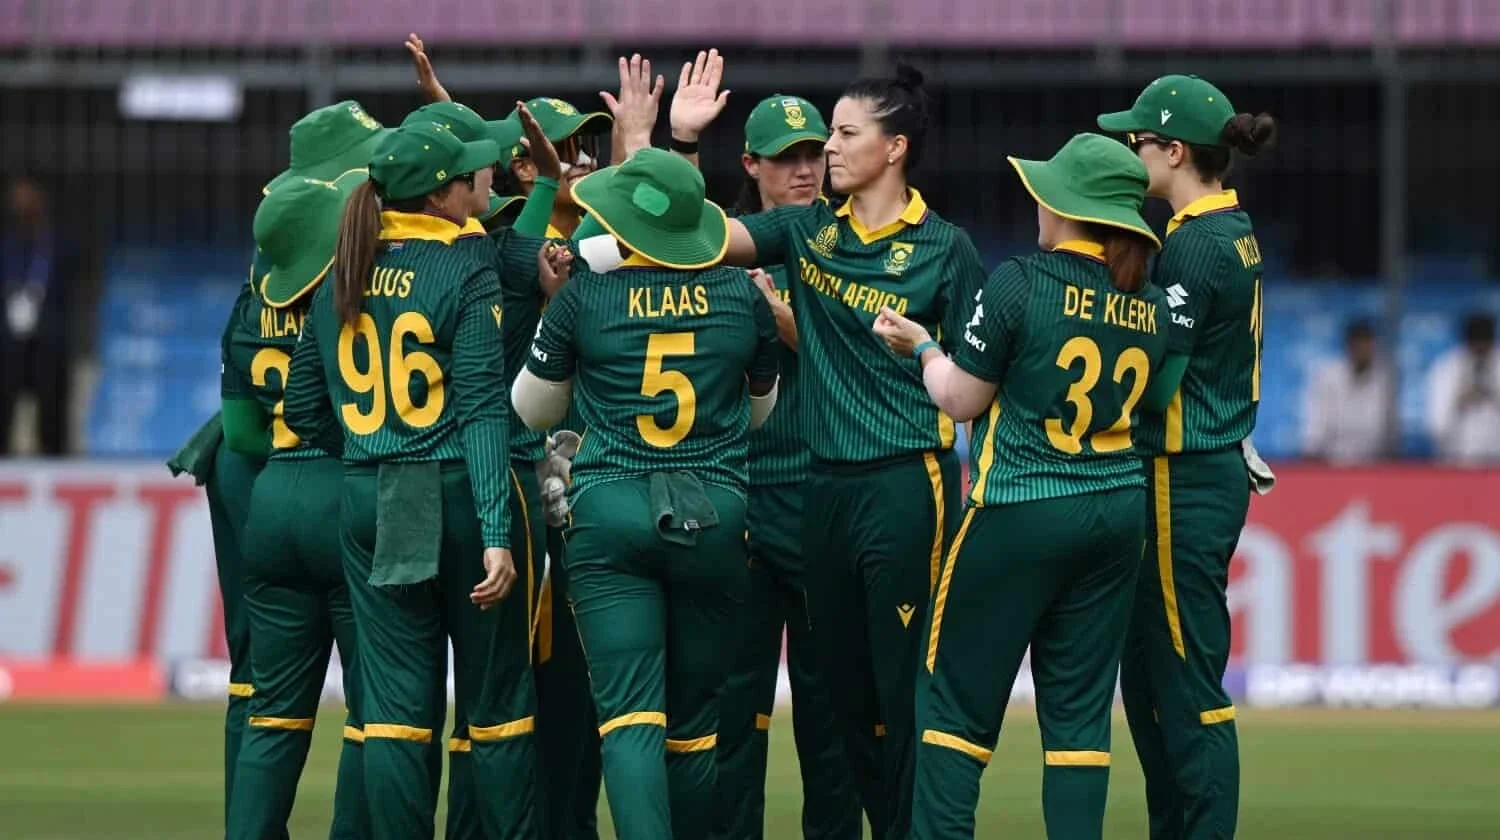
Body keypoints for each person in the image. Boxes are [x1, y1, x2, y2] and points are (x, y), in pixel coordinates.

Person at [874, 133, 1173, 839]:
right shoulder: (1154, 304)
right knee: (1079, 725)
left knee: (950, 709)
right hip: (1115, 517)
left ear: (1067, 206)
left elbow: (960, 399)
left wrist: (923, 347)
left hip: (1018, 509)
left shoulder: (1021, 281)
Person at [715, 62, 987, 839]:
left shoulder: (947, 249)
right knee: (841, 701)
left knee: (901, 693)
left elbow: (979, 382)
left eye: (842, 133)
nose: (827, 149)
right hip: (823, 493)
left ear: (894, 148)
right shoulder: (808, 231)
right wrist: (677, 141)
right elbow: (708, 237)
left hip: (906, 484)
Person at [511, 147, 781, 840]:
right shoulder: (742, 297)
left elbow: (533, 410)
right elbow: (759, 412)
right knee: (694, 725)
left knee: (630, 721)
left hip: (610, 512)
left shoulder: (585, 298)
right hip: (714, 513)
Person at [281, 120, 536, 840]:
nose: (480, 183)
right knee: (497, 706)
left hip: (373, 497)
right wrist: (496, 531)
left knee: (393, 713)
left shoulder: (343, 268)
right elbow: (483, 409)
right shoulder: (465, 268)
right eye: (466, 176)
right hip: (455, 491)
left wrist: (372, 448)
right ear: (438, 195)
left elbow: (302, 408)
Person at [166, 98, 389, 840]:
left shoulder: (263, 268)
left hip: (256, 480)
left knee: (259, 687)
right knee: (378, 700)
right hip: (335, 483)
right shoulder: (355, 274)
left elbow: (239, 429)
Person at [1097, 74, 1277, 839]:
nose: (1129, 150)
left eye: (1138, 140)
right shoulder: (1221, 228)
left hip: (1183, 471)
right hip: (1190, 469)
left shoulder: (1196, 245)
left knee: (1185, 679)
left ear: (1173, 151)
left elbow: (1160, 379)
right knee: (1148, 679)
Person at [713, 94, 861, 840]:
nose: (806, 170)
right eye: (786, 158)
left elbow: (866, 361)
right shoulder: (719, 252)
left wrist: (780, 319)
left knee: (829, 712)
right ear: (751, 165)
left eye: (814, 155)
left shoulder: (851, 244)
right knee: (733, 710)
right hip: (739, 498)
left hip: (819, 495)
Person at [221, 171, 370, 840]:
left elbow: (240, 434)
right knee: (375, 711)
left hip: (272, 498)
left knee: (273, 713)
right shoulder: (354, 298)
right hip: (345, 497)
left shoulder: (248, 311)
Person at [0, 177, 79, 455]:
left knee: (52, 405)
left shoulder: (56, 245)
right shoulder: (7, 245)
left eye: (27, 199)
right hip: (9, 339)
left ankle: (53, 456)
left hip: (49, 337)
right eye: (16, 201)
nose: (21, 206)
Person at [1301, 319, 1395, 463]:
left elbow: (1386, 436)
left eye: (1367, 345)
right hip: (1332, 462)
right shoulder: (1327, 378)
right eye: (1359, 345)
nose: (1363, 351)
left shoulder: (1385, 381)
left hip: (1373, 463)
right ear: (1350, 346)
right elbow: (1315, 429)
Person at [1426, 312, 1500, 465]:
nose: (1481, 352)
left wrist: (1494, 396)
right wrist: (1458, 402)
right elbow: (1435, 429)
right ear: (1467, 343)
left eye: (1485, 347)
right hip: (1457, 462)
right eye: (1476, 347)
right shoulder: (1446, 369)